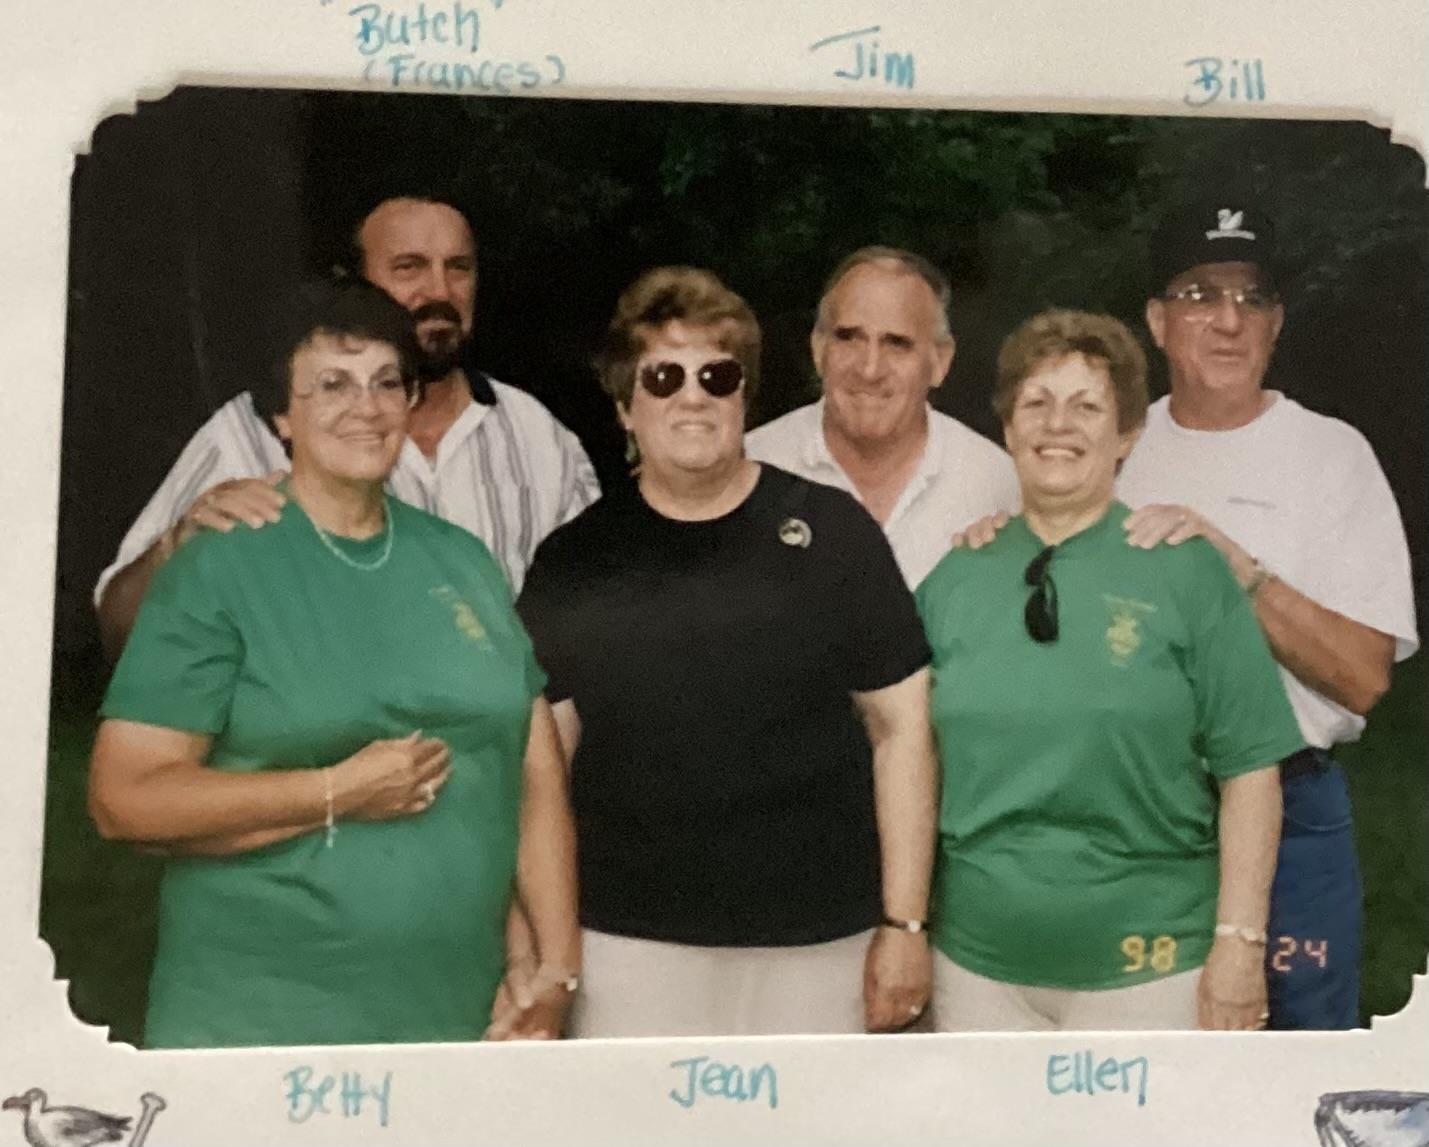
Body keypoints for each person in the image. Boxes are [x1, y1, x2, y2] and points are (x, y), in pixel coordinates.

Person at [87, 278, 580, 1048]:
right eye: (332, 385)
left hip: (460, 1018)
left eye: (388, 382)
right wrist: (335, 790)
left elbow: (532, 778)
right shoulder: (220, 565)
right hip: (265, 1022)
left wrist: (552, 971)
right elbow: (125, 798)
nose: (368, 406)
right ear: (280, 415)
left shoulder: (462, 561)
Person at [516, 266, 937, 1038]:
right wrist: (544, 957)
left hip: (821, 944)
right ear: (624, 407)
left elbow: (901, 731)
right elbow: (541, 774)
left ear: (743, 394)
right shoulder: (574, 561)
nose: (692, 395)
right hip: (629, 949)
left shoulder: (833, 533)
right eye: (663, 375)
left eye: (716, 374)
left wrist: (904, 924)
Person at [917, 308, 1301, 1032]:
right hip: (976, 970)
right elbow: (906, 760)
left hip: (1150, 968)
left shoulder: (1185, 572)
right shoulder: (952, 580)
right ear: (1007, 427)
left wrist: (1239, 945)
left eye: (1086, 405)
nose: (1056, 423)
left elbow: (1251, 770)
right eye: (1036, 402)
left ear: (1126, 433)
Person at [1117, 200, 1419, 1029]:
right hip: (1136, 812)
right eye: (1197, 294)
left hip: (1292, 820)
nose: (1225, 321)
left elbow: (1362, 679)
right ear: (1154, 319)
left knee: (1291, 1061)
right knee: (1143, 1065)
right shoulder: (1110, 447)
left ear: (1276, 322)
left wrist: (1239, 572)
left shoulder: (1330, 455)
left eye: (1250, 299)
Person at [95, 192, 599, 658]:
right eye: (409, 267)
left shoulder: (539, 437)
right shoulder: (255, 429)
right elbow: (119, 628)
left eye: (459, 268)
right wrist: (175, 545)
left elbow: (587, 629)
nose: (439, 290)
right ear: (354, 282)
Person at [745, 246, 1019, 588]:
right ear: (818, 348)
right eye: (849, 338)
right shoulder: (750, 469)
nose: (870, 369)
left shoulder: (998, 486)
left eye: (896, 343)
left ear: (940, 361)